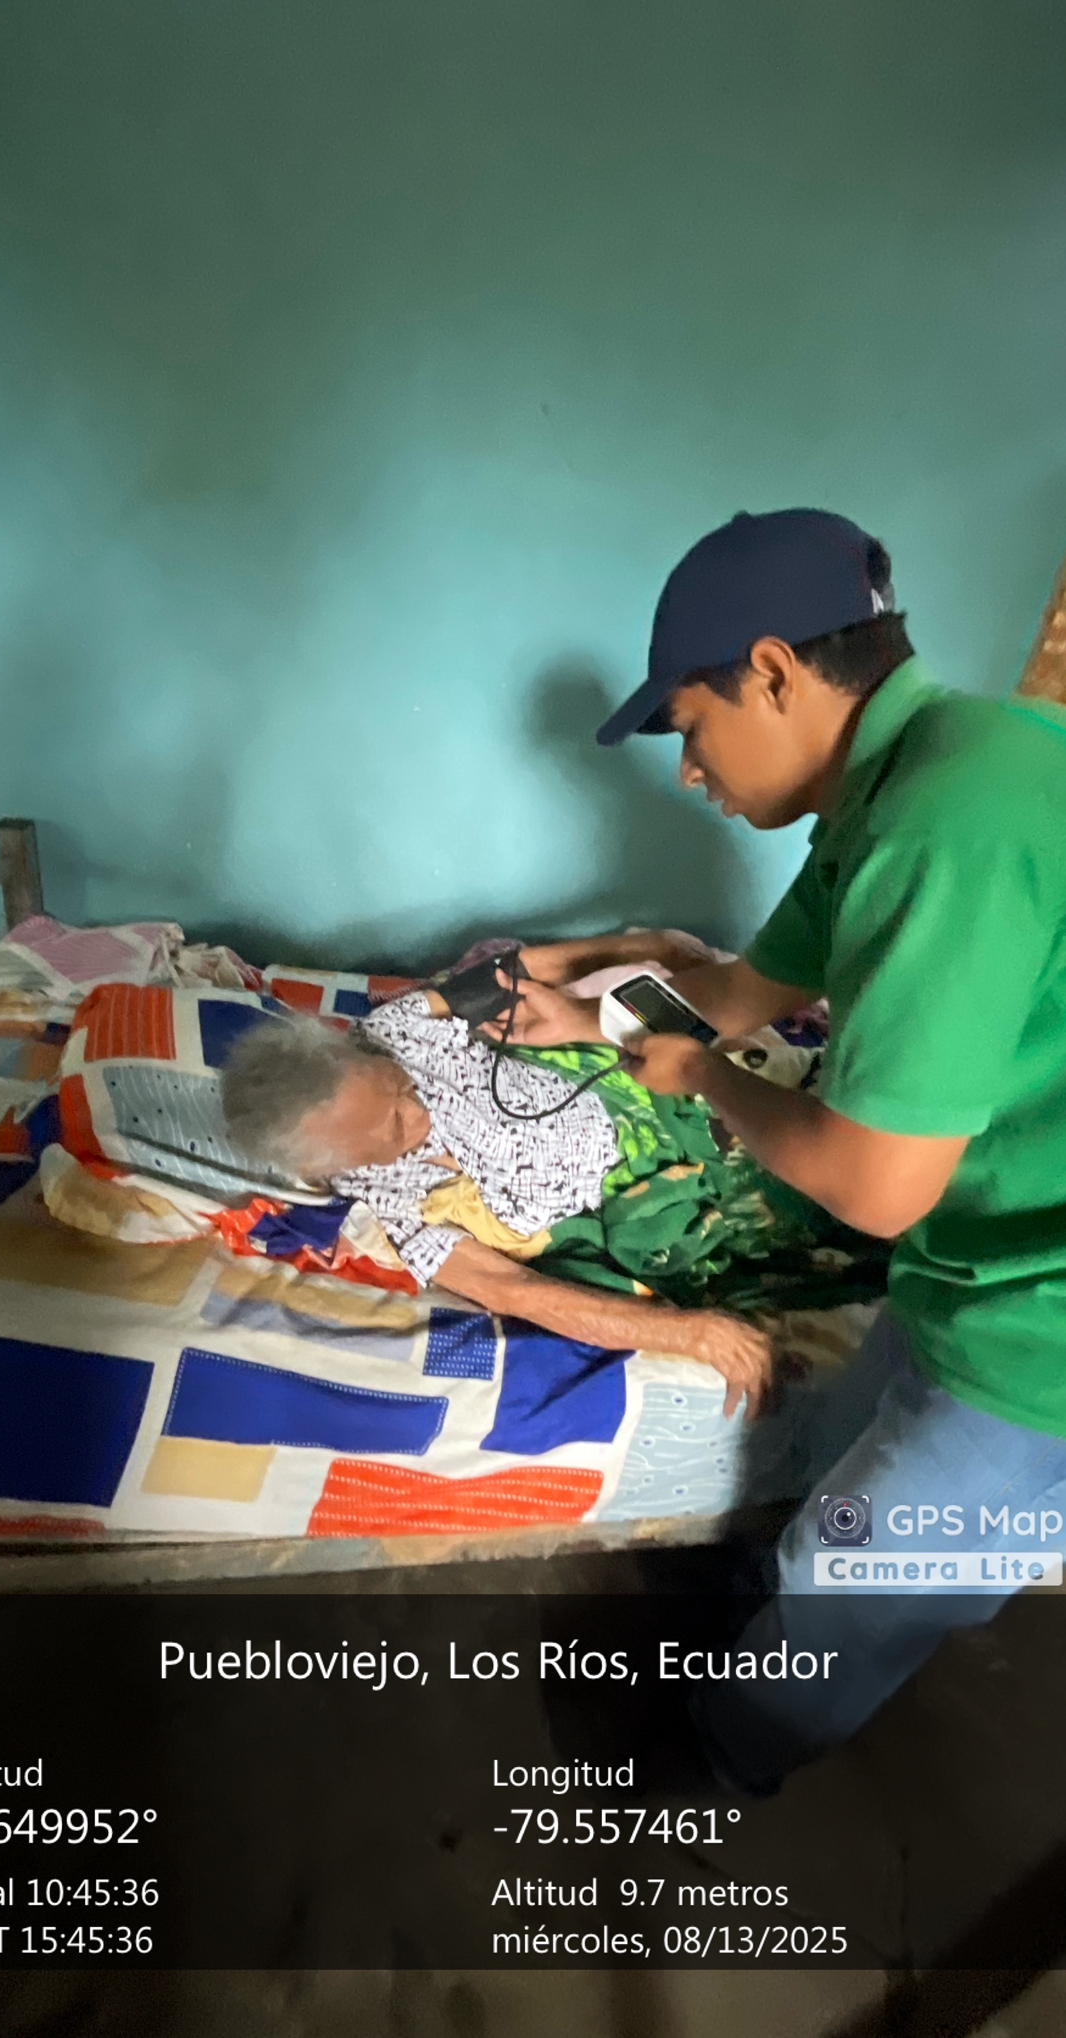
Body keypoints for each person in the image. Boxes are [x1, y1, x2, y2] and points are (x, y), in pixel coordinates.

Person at [490, 507, 1066, 1793]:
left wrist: (705, 1079)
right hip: (983, 1254)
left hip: (1047, 1326)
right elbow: (749, 990)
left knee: (862, 1573)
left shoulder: (944, 820)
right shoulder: (911, 777)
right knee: (833, 1471)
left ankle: (717, 1756)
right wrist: (591, 1019)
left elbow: (873, 1184)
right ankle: (748, 1624)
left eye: (688, 728)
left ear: (772, 672)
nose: (688, 774)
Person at [220, 982, 774, 1416]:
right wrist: (693, 1332)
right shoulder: (391, 1206)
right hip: (640, 1197)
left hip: (616, 1091)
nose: (418, 1109)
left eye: (399, 1085)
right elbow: (515, 1291)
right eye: (393, 1127)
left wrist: (646, 949)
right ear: (337, 1164)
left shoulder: (390, 1031)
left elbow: (515, 975)